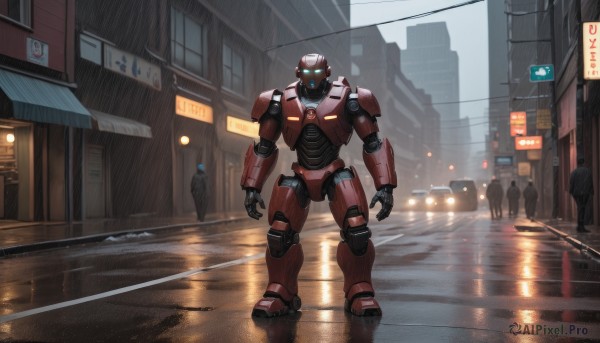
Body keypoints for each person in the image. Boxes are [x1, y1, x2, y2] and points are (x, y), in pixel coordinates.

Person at [241, 53, 396, 317]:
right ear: (298, 73)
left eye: (317, 75)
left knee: (356, 229)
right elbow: (264, 147)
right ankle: (281, 290)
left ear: (327, 73)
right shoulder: (279, 102)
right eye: (307, 75)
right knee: (279, 233)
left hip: (334, 170)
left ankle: (360, 289)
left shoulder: (349, 99)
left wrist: (385, 185)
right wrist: (252, 187)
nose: (312, 81)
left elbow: (373, 142)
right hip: (300, 172)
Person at [569, 157, 594, 232]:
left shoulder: (574, 172)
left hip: (576, 193)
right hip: (585, 193)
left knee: (580, 208)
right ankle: (581, 226)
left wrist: (571, 191)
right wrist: (592, 191)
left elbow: (571, 182)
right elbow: (590, 181)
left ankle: (580, 225)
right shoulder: (587, 171)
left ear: (577, 163)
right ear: (583, 163)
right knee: (582, 208)